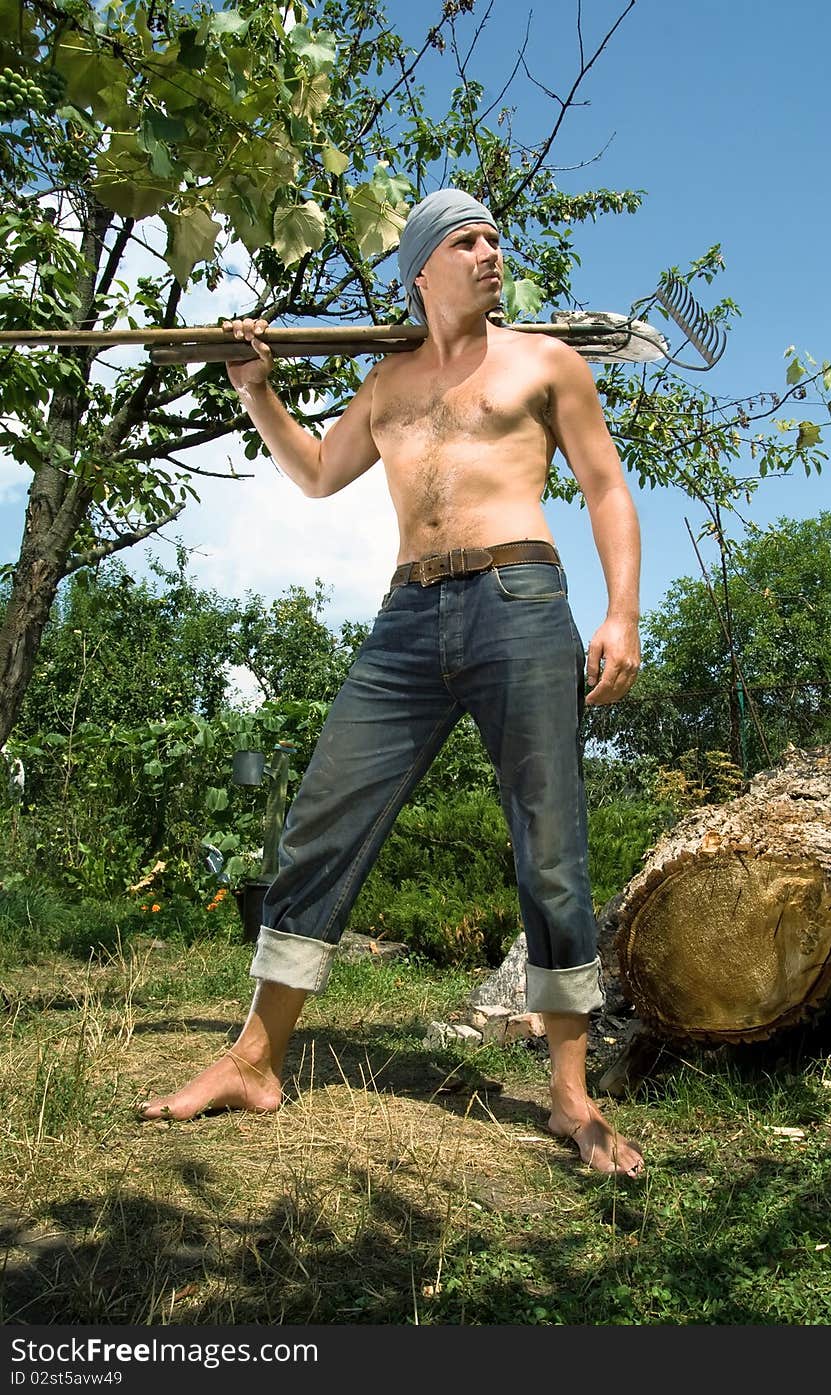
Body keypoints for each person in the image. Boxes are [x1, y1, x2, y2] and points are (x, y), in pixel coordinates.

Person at [141, 189, 644, 1177]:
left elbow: (604, 486)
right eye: (467, 240)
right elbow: (319, 477)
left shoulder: (546, 363)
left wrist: (621, 613)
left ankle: (572, 1098)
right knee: (322, 818)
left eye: (496, 237)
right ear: (423, 266)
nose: (491, 251)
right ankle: (254, 1057)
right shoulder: (385, 383)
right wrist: (255, 387)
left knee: (549, 846)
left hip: (519, 597)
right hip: (407, 615)